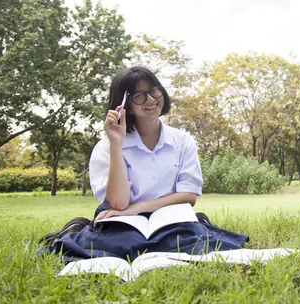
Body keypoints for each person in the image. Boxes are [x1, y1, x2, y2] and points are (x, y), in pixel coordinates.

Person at [40, 66, 248, 261]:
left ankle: (198, 222)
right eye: (139, 96)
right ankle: (79, 227)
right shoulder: (107, 146)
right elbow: (119, 205)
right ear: (125, 105)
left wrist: (139, 207)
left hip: (168, 216)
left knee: (191, 244)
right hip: (122, 219)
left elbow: (188, 196)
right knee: (119, 247)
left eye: (154, 91)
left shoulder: (182, 140)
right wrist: (116, 144)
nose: (150, 99)